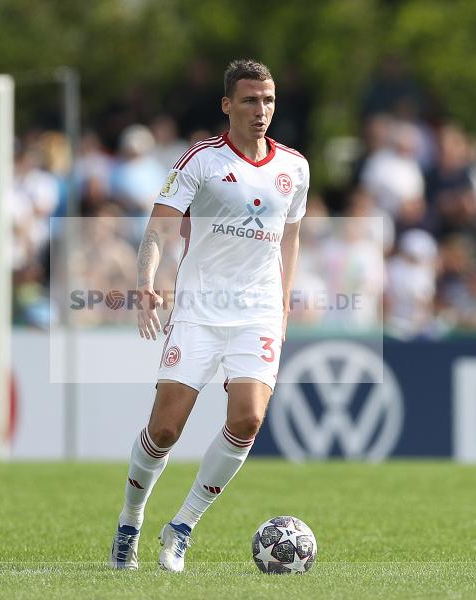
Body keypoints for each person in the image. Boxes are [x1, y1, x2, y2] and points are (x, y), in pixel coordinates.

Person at [108, 59, 309, 572]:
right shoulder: (200, 160)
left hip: (258, 313)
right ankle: (130, 521)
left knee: (248, 418)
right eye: (249, 100)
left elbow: (290, 239)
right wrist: (146, 280)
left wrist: (283, 307)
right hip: (199, 310)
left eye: (268, 100)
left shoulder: (294, 167)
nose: (261, 110)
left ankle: (181, 528)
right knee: (165, 429)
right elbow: (158, 229)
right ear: (227, 105)